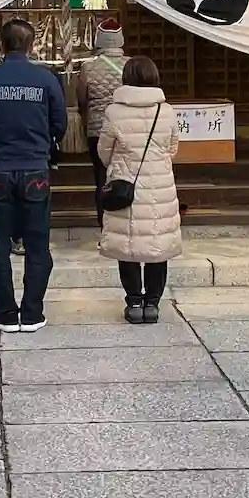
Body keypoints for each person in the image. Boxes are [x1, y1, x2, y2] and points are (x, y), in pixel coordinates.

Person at [0, 17, 66, 332]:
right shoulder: (46, 79)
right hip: (35, 168)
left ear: (0, 43)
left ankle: (5, 313)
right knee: (37, 243)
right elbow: (60, 124)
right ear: (31, 44)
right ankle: (32, 312)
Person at [96, 56, 182, 325]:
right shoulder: (166, 111)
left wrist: (119, 165)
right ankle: (152, 304)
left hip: (126, 186)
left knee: (128, 246)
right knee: (157, 246)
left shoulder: (114, 112)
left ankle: (134, 302)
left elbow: (104, 151)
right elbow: (173, 148)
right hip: (160, 186)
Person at [75, 18, 128, 228]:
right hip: (126, 128)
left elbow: (81, 98)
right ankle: (123, 221)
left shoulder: (88, 67)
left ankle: (104, 222)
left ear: (99, 39)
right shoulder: (131, 65)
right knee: (126, 173)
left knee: (101, 176)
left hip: (98, 129)